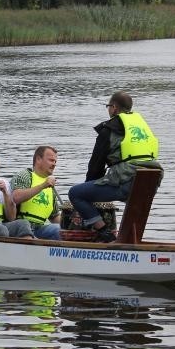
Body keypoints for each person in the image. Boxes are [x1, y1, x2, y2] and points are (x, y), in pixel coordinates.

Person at [68, 91, 162, 242]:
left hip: (126, 182)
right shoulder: (142, 128)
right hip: (150, 183)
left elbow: (95, 167)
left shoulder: (108, 130)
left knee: (76, 193)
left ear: (114, 108)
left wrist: (88, 192)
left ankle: (105, 233)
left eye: (108, 106)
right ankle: (129, 239)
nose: (108, 110)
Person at [11, 146, 62, 240]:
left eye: (55, 161)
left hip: (40, 228)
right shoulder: (25, 175)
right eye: (51, 160)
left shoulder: (50, 186)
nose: (54, 164)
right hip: (21, 227)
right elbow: (16, 197)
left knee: (61, 230)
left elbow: (54, 217)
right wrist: (43, 186)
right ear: (38, 159)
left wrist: (74, 223)